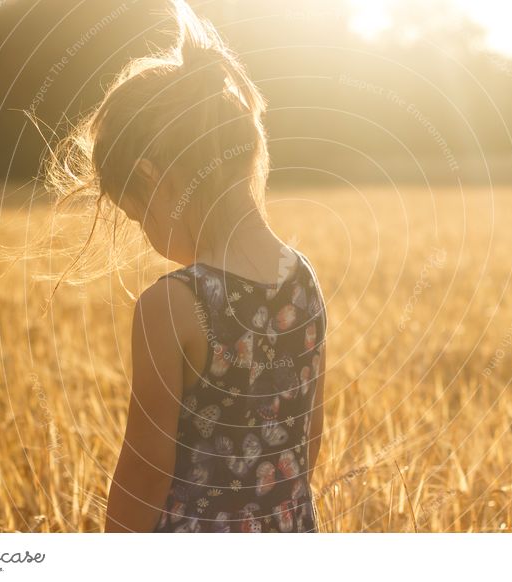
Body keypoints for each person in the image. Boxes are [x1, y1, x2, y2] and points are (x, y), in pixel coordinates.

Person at [46, 0, 327, 532]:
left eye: (137, 216)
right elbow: (308, 442)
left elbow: (146, 473)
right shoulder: (303, 279)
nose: (148, 238)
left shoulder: (173, 304)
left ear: (155, 179)